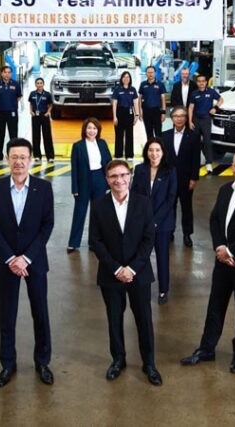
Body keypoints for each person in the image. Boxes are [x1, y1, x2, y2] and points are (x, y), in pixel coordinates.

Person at [180, 150, 235, 374]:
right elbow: (215, 220)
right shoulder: (224, 190)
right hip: (223, 260)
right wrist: (220, 247)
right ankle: (207, 348)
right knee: (215, 306)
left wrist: (230, 251)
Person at [0, 138, 55, 388]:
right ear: (7, 159)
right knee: (7, 313)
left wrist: (26, 258)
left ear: (31, 159)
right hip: (7, 263)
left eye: (23, 157)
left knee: (40, 312)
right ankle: (7, 363)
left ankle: (42, 361)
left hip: (34, 262)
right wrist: (10, 258)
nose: (18, 162)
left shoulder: (43, 188)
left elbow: (47, 225)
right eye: (14, 157)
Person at [90, 160, 162, 386]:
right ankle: (118, 360)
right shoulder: (99, 205)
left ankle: (149, 364)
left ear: (130, 177)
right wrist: (116, 268)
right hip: (110, 274)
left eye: (123, 175)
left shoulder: (143, 203)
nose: (119, 180)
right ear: (107, 179)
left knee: (144, 319)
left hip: (138, 273)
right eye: (113, 176)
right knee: (114, 319)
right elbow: (95, 241)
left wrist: (131, 268)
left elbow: (149, 238)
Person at [131, 140, 177, 305]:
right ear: (146, 152)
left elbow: (171, 199)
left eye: (157, 150)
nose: (154, 154)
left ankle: (163, 290)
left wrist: (155, 221)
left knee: (162, 257)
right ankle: (141, 286)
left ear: (163, 152)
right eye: (151, 150)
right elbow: (134, 194)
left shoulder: (170, 171)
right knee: (141, 256)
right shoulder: (140, 169)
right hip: (142, 222)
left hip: (162, 223)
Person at [68, 117, 111, 253]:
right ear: (84, 130)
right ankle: (73, 243)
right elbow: (74, 169)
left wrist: (109, 182)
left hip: (99, 179)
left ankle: (94, 242)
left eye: (94, 128)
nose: (92, 131)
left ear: (98, 130)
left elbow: (109, 163)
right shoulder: (78, 146)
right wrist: (74, 188)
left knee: (97, 212)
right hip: (83, 182)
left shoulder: (102, 143)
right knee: (80, 212)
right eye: (89, 128)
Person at [162, 106, 202, 248]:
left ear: (186, 118)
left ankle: (187, 234)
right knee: (169, 207)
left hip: (186, 179)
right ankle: (170, 231)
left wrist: (194, 178)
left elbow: (196, 159)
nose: (179, 119)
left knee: (186, 207)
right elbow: (162, 159)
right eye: (176, 116)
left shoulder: (194, 136)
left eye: (182, 116)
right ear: (171, 118)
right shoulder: (164, 135)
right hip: (169, 179)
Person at [187, 74, 222, 172]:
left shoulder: (211, 92)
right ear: (197, 83)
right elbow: (190, 108)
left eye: (203, 81)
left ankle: (209, 163)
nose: (201, 83)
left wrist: (215, 108)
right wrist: (189, 121)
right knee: (195, 142)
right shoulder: (194, 93)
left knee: (207, 142)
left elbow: (221, 99)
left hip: (206, 120)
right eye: (199, 81)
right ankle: (195, 161)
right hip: (196, 120)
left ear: (206, 82)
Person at [0, 66, 22, 163]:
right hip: (0, 113)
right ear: (1, 73)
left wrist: (11, 105)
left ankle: (13, 155)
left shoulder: (16, 84)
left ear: (11, 74)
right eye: (5, 72)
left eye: (9, 72)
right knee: (0, 134)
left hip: (12, 113)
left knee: (13, 135)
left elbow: (18, 97)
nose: (7, 74)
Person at [111, 72, 139, 160]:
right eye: (124, 77)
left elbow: (135, 102)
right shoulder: (117, 89)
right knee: (119, 134)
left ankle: (129, 155)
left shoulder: (133, 89)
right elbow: (114, 103)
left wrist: (137, 114)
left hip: (129, 113)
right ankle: (118, 155)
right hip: (119, 112)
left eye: (128, 77)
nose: (126, 79)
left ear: (130, 79)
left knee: (129, 134)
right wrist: (114, 116)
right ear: (121, 79)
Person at [138, 65, 167, 144]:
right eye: (148, 72)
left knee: (158, 133)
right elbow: (140, 98)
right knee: (148, 132)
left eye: (152, 72)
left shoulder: (160, 84)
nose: (150, 74)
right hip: (146, 111)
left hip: (157, 111)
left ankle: (159, 148)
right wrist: (140, 111)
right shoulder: (143, 84)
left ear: (155, 73)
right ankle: (150, 148)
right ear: (146, 73)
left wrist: (163, 112)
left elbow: (163, 99)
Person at [28, 78, 55, 162]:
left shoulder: (47, 94)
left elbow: (50, 105)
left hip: (44, 116)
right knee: (36, 136)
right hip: (35, 116)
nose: (39, 85)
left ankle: (50, 156)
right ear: (35, 84)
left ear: (43, 84)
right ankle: (37, 155)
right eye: (38, 83)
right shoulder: (32, 93)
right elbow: (31, 103)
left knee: (47, 136)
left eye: (41, 83)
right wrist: (31, 111)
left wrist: (48, 112)